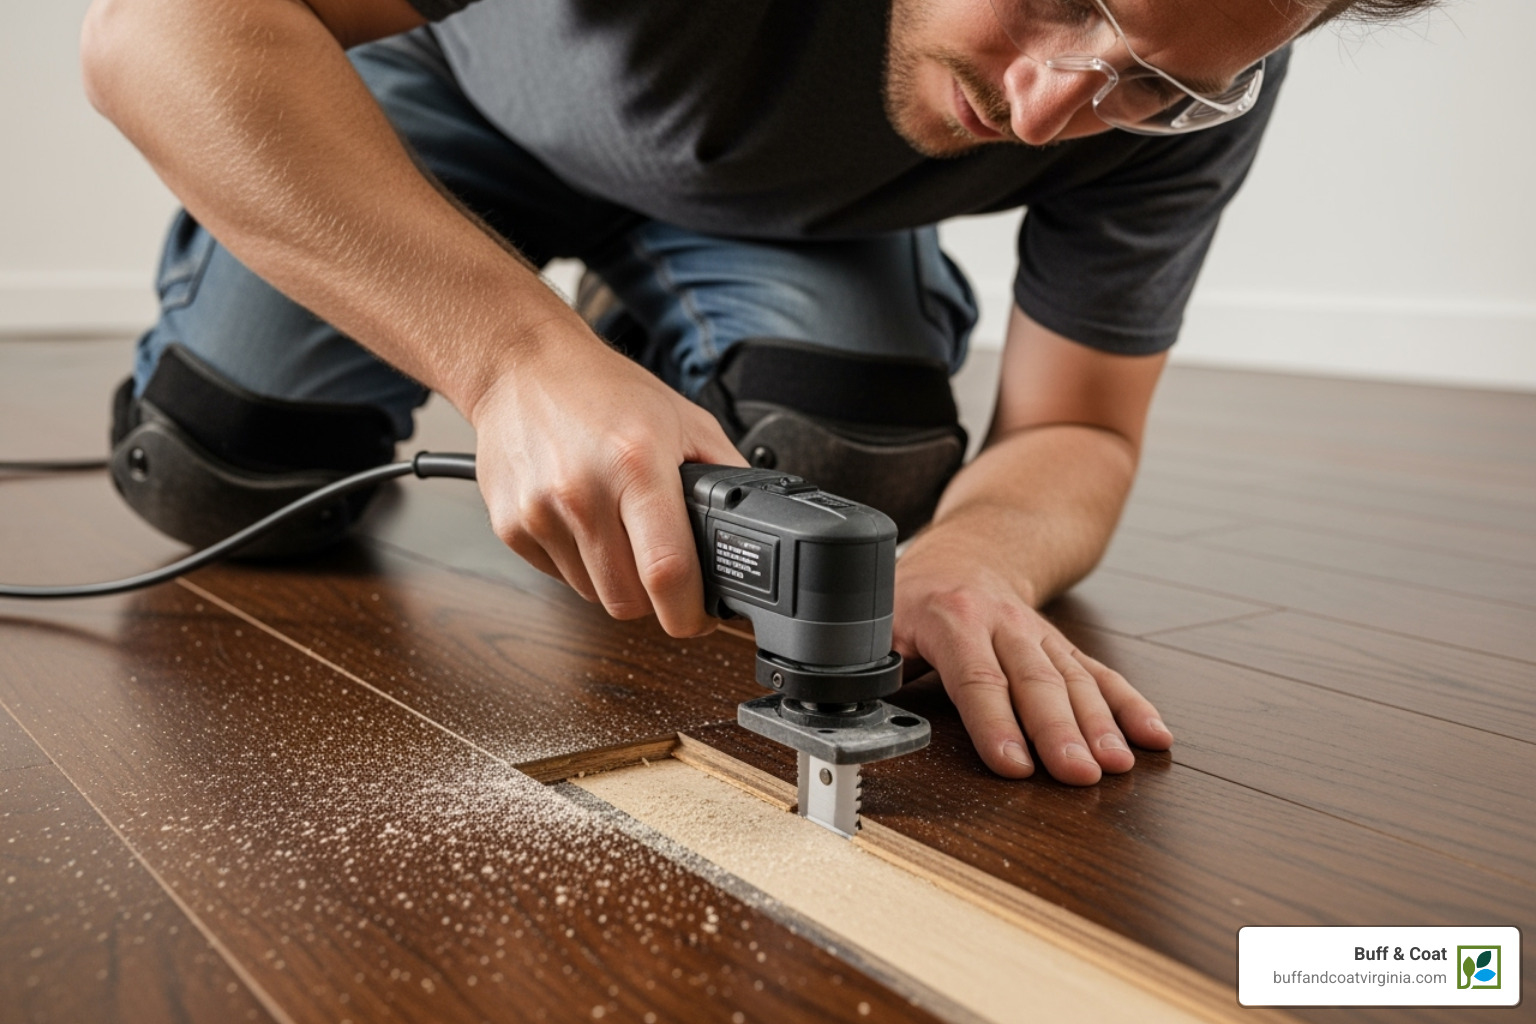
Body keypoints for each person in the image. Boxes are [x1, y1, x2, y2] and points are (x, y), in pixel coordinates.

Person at [81, 0, 1434, 786]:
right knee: (226, 475)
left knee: (852, 489)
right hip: (423, 110)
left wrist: (974, 562)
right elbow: (157, 31)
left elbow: (1077, 425)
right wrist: (513, 364)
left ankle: (641, 326)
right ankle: (567, 336)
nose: (1046, 104)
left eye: (1155, 82)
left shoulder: (1198, 92)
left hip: (761, 213)